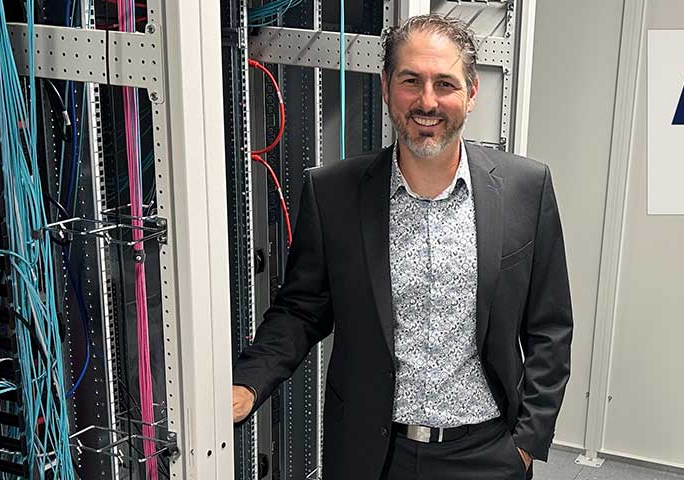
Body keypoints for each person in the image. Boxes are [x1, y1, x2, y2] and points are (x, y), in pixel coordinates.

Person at [230, 14, 574, 480]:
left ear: (472, 93)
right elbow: (301, 310)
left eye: (445, 84)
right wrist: (249, 383)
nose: (427, 101)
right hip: (373, 455)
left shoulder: (525, 189)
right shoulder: (333, 193)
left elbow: (550, 327)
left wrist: (527, 443)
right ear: (386, 87)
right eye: (411, 81)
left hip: (487, 454)